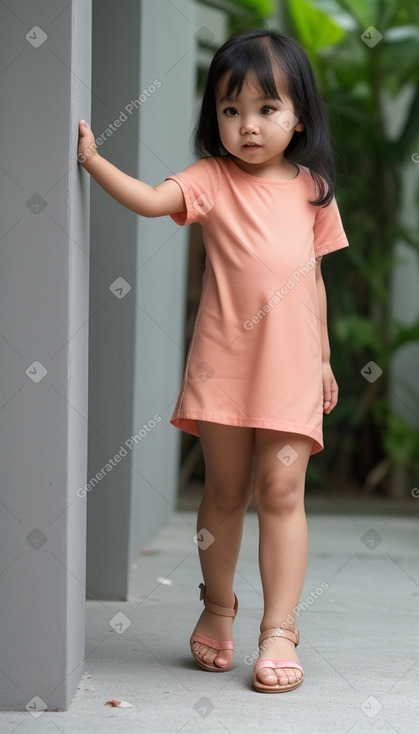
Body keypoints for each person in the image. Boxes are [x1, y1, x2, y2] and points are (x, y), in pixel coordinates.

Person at [78, 28, 349, 693]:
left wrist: (322, 359)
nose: (247, 125)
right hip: (224, 368)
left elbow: (311, 279)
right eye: (230, 111)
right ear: (214, 119)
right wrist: (92, 161)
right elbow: (148, 200)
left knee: (282, 492)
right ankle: (216, 607)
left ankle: (279, 631)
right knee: (226, 492)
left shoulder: (312, 190)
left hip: (289, 369)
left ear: (298, 117)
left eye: (264, 109)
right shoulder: (210, 180)